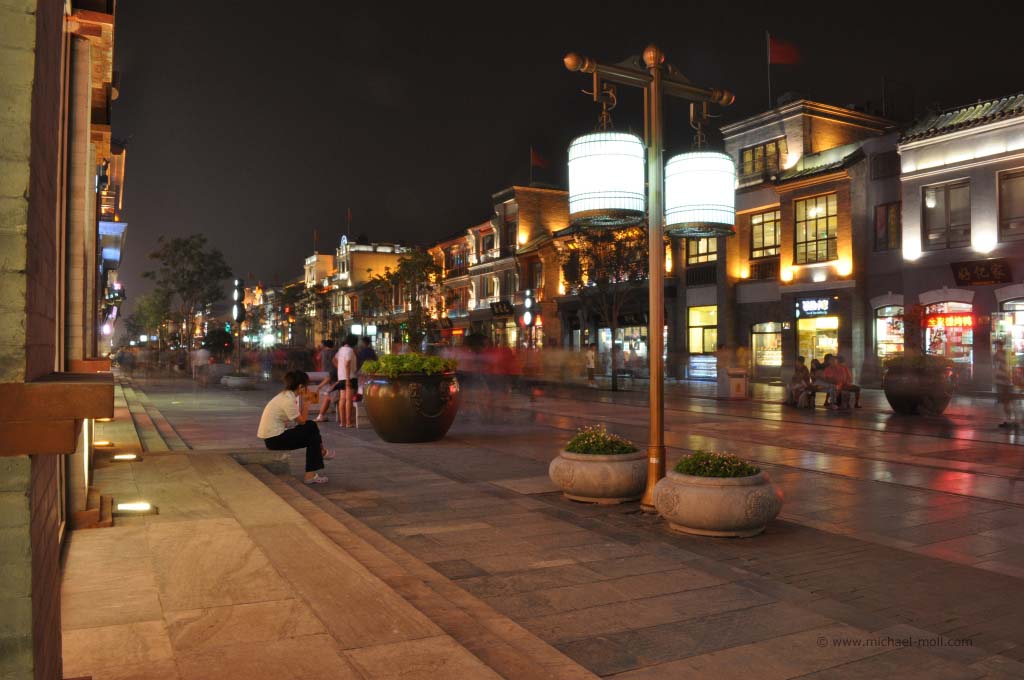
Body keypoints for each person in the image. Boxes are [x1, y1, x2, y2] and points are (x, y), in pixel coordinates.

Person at [257, 370, 333, 484]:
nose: (307, 389)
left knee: (312, 434)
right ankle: (315, 464)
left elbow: (297, 420)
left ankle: (315, 465)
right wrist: (307, 403)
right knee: (311, 428)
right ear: (301, 387)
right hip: (274, 440)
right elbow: (302, 422)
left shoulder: (285, 396)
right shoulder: (288, 400)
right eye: (306, 386)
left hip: (273, 437)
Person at [334, 334, 358, 428]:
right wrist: (347, 378)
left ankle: (342, 422)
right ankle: (348, 422)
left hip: (341, 377)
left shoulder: (341, 349)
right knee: (348, 400)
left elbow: (334, 360)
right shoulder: (350, 350)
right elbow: (347, 363)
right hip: (349, 377)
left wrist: (340, 369)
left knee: (342, 399)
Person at [994, 338, 1017, 428]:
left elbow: (1003, 368)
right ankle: (1010, 420)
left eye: (997, 345)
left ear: (1000, 345)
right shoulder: (999, 354)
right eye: (996, 345)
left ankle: (1010, 420)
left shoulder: (1001, 355)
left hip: (1005, 382)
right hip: (1003, 381)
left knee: (1006, 401)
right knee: (1006, 402)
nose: (996, 347)